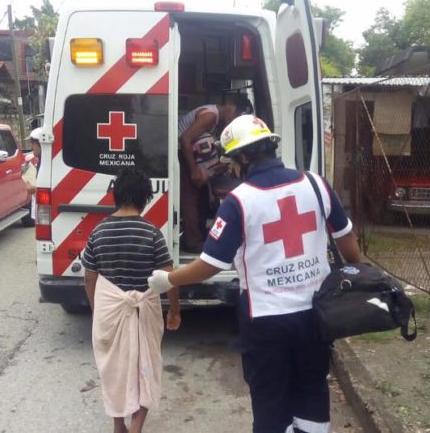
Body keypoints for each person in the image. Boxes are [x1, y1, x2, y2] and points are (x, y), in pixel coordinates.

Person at [149, 115, 361, 433]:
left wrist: (169, 279)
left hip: (265, 321)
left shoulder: (239, 201)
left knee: (270, 400)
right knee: (312, 388)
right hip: (316, 314)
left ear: (243, 159)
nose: (231, 168)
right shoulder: (316, 184)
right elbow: (347, 240)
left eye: (231, 161)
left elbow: (211, 264)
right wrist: (356, 273)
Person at [82, 168, 181, 433]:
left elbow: (90, 278)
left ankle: (118, 425)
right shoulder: (151, 233)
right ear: (145, 198)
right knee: (145, 365)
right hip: (143, 312)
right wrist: (174, 310)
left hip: (109, 313)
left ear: (115, 195)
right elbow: (168, 277)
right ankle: (136, 427)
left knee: (114, 369)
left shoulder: (98, 232)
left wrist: (96, 308)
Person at [178, 94, 253, 253]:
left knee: (202, 198)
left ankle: (195, 239)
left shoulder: (216, 119)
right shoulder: (210, 116)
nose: (234, 120)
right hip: (184, 153)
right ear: (229, 105)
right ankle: (194, 243)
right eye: (236, 115)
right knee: (190, 199)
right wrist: (193, 170)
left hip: (191, 154)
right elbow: (185, 139)